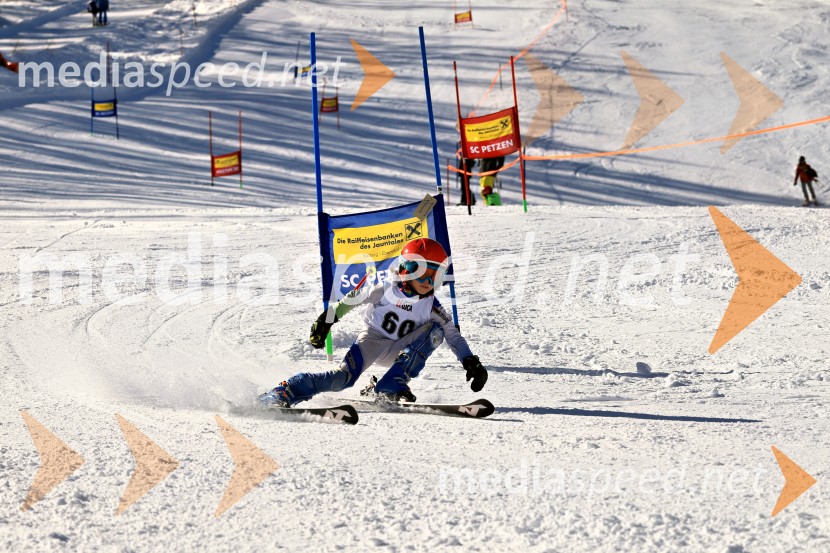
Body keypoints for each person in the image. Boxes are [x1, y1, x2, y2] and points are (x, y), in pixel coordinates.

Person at [258, 238, 488, 407]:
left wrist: (470, 361)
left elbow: (453, 335)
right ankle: (286, 391)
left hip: (402, 353)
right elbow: (351, 300)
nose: (429, 282)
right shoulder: (385, 289)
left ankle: (391, 383)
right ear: (406, 270)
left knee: (437, 330)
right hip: (372, 341)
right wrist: (325, 321)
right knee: (342, 380)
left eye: (435, 275)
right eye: (422, 272)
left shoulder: (432, 305)